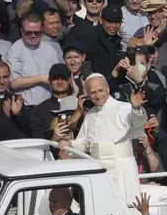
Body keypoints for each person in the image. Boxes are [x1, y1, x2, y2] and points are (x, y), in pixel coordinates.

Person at [58, 74, 146, 202]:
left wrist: (136, 107)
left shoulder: (123, 108)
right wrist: (69, 144)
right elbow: (87, 143)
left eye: (100, 90)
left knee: (124, 204)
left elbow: (137, 123)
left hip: (121, 168)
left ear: (108, 89)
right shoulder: (90, 114)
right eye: (93, 92)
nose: (98, 95)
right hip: (99, 169)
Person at [5, 14, 63, 106]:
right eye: (29, 32)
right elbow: (14, 83)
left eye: (37, 32)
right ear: (22, 31)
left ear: (42, 30)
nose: (33, 36)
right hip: (25, 106)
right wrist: (40, 79)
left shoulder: (50, 49)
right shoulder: (15, 49)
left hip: (48, 105)